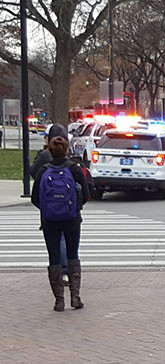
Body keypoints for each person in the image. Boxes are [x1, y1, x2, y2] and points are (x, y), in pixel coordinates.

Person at [31, 135, 89, 312]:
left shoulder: (43, 170)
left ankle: (58, 300)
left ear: (50, 151)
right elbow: (86, 194)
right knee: (73, 255)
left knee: (54, 257)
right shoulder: (74, 169)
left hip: (50, 220)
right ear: (66, 150)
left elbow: (35, 198)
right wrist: (74, 208)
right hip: (71, 219)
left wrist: (48, 210)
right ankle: (75, 297)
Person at [30, 124, 71, 285]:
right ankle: (69, 275)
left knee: (55, 242)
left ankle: (59, 273)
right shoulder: (71, 163)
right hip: (69, 211)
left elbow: (33, 173)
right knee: (66, 240)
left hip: (49, 210)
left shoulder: (45, 158)